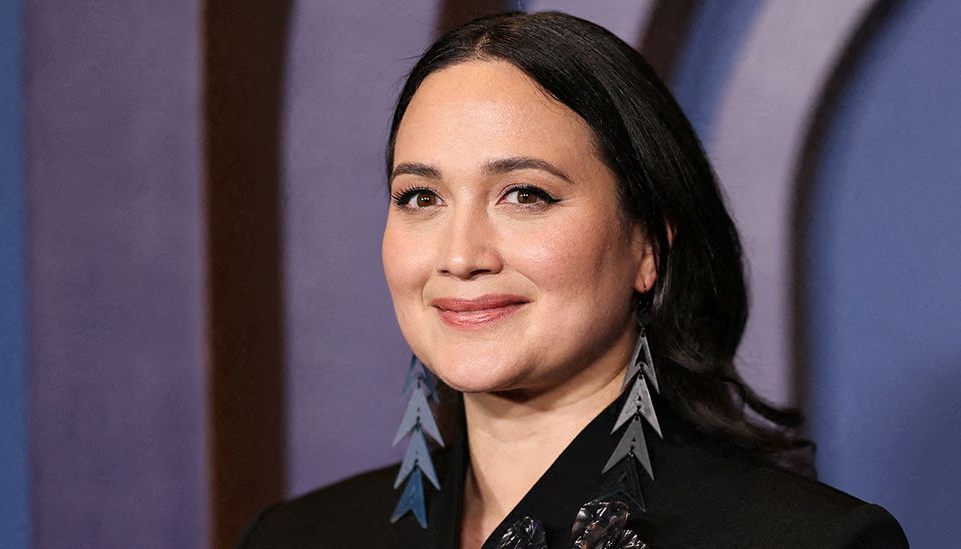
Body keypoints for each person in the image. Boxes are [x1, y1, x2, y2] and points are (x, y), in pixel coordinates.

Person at [236, 11, 908, 549]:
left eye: (525, 194)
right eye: (421, 197)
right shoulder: (297, 536)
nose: (461, 254)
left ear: (648, 244)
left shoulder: (808, 541)